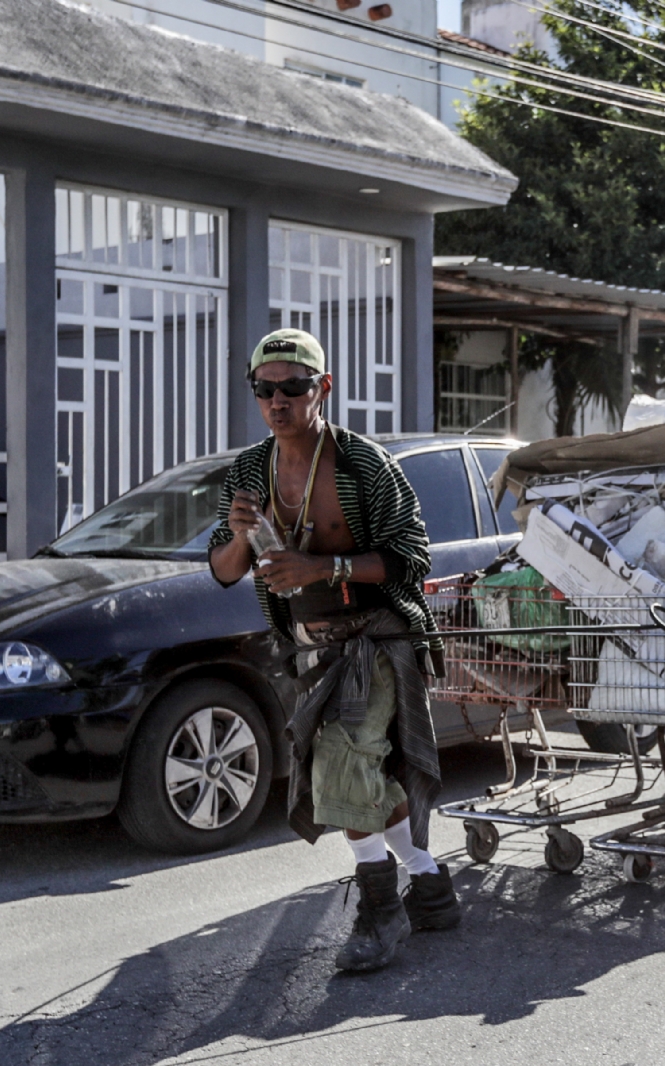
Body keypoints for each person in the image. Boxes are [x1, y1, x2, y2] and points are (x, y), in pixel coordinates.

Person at [208, 328, 459, 972]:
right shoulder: (248, 468)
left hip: (375, 639)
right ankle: (430, 886)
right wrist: (241, 534)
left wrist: (324, 569)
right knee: (365, 776)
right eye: (265, 390)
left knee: (342, 770)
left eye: (293, 387)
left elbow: (410, 559)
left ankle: (382, 915)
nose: (277, 400)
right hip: (305, 647)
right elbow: (224, 569)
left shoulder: (362, 464)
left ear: (322, 388)